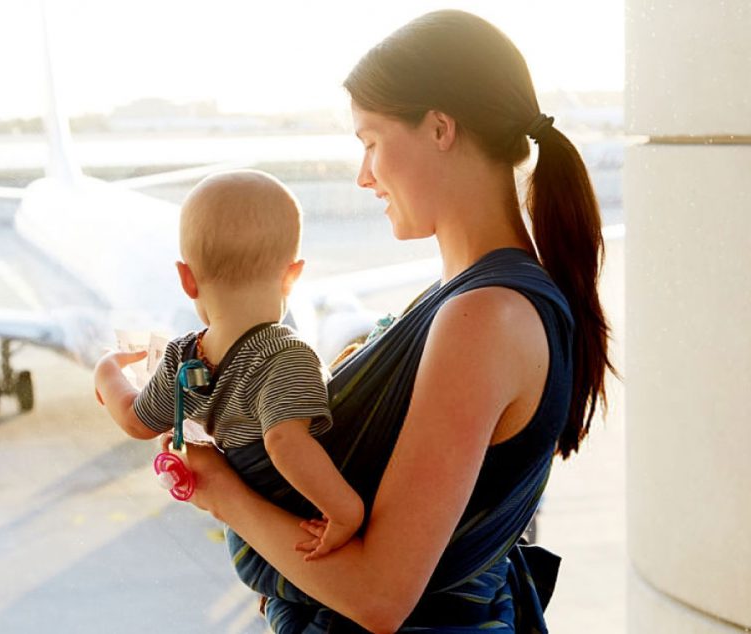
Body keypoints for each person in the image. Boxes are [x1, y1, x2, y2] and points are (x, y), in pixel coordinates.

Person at [171, 10, 615, 634]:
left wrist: (218, 490)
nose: (364, 175)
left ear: (439, 128)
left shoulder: (482, 317)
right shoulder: (477, 300)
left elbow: (381, 596)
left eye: (371, 141)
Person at [93, 169, 365, 560]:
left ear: (187, 280)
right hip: (291, 530)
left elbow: (137, 421)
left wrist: (107, 374)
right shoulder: (288, 355)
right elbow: (284, 441)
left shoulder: (181, 356)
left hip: (251, 543)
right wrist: (345, 512)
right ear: (292, 276)